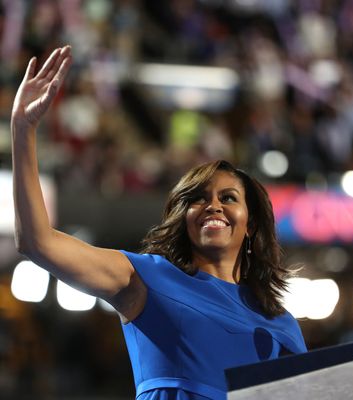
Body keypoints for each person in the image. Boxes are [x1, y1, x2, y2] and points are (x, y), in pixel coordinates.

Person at [11, 45, 307, 400]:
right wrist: (22, 130)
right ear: (184, 219)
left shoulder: (281, 324)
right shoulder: (146, 278)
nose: (212, 206)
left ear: (252, 224)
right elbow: (37, 242)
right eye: (198, 199)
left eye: (227, 198)